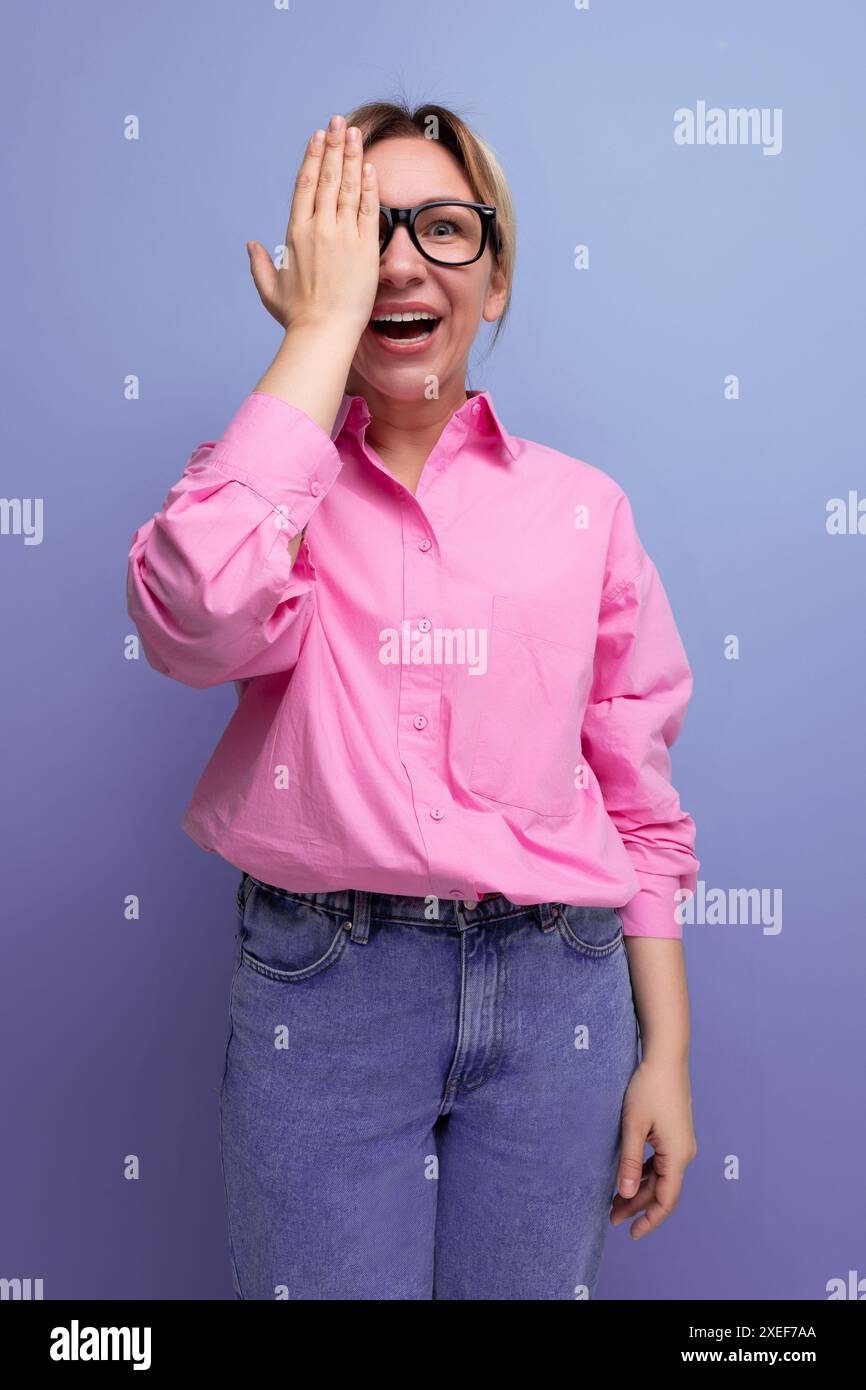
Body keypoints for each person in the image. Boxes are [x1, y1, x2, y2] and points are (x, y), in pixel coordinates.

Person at [126, 101, 700, 1301]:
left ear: (493, 284)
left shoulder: (584, 509)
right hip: (324, 988)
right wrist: (318, 336)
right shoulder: (261, 488)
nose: (398, 259)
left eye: (441, 228)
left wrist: (668, 1054)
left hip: (559, 990)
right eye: (363, 229)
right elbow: (189, 619)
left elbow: (638, 804)